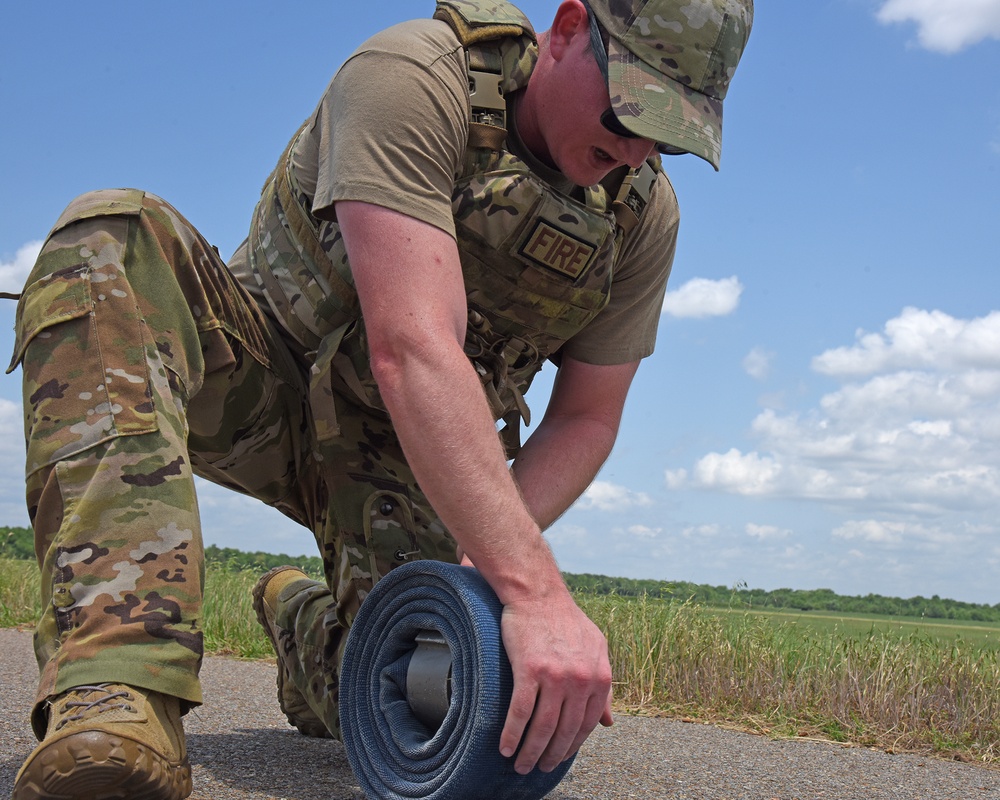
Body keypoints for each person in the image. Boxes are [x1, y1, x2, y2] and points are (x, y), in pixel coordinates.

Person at [9, 0, 752, 797]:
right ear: (569, 29)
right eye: (629, 110)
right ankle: (116, 687)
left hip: (406, 460)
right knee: (110, 240)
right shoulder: (415, 77)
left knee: (416, 693)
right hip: (259, 383)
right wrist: (533, 588)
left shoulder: (641, 218)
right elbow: (413, 345)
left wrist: (485, 556)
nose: (635, 150)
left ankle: (299, 621)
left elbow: (587, 418)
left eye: (667, 136)